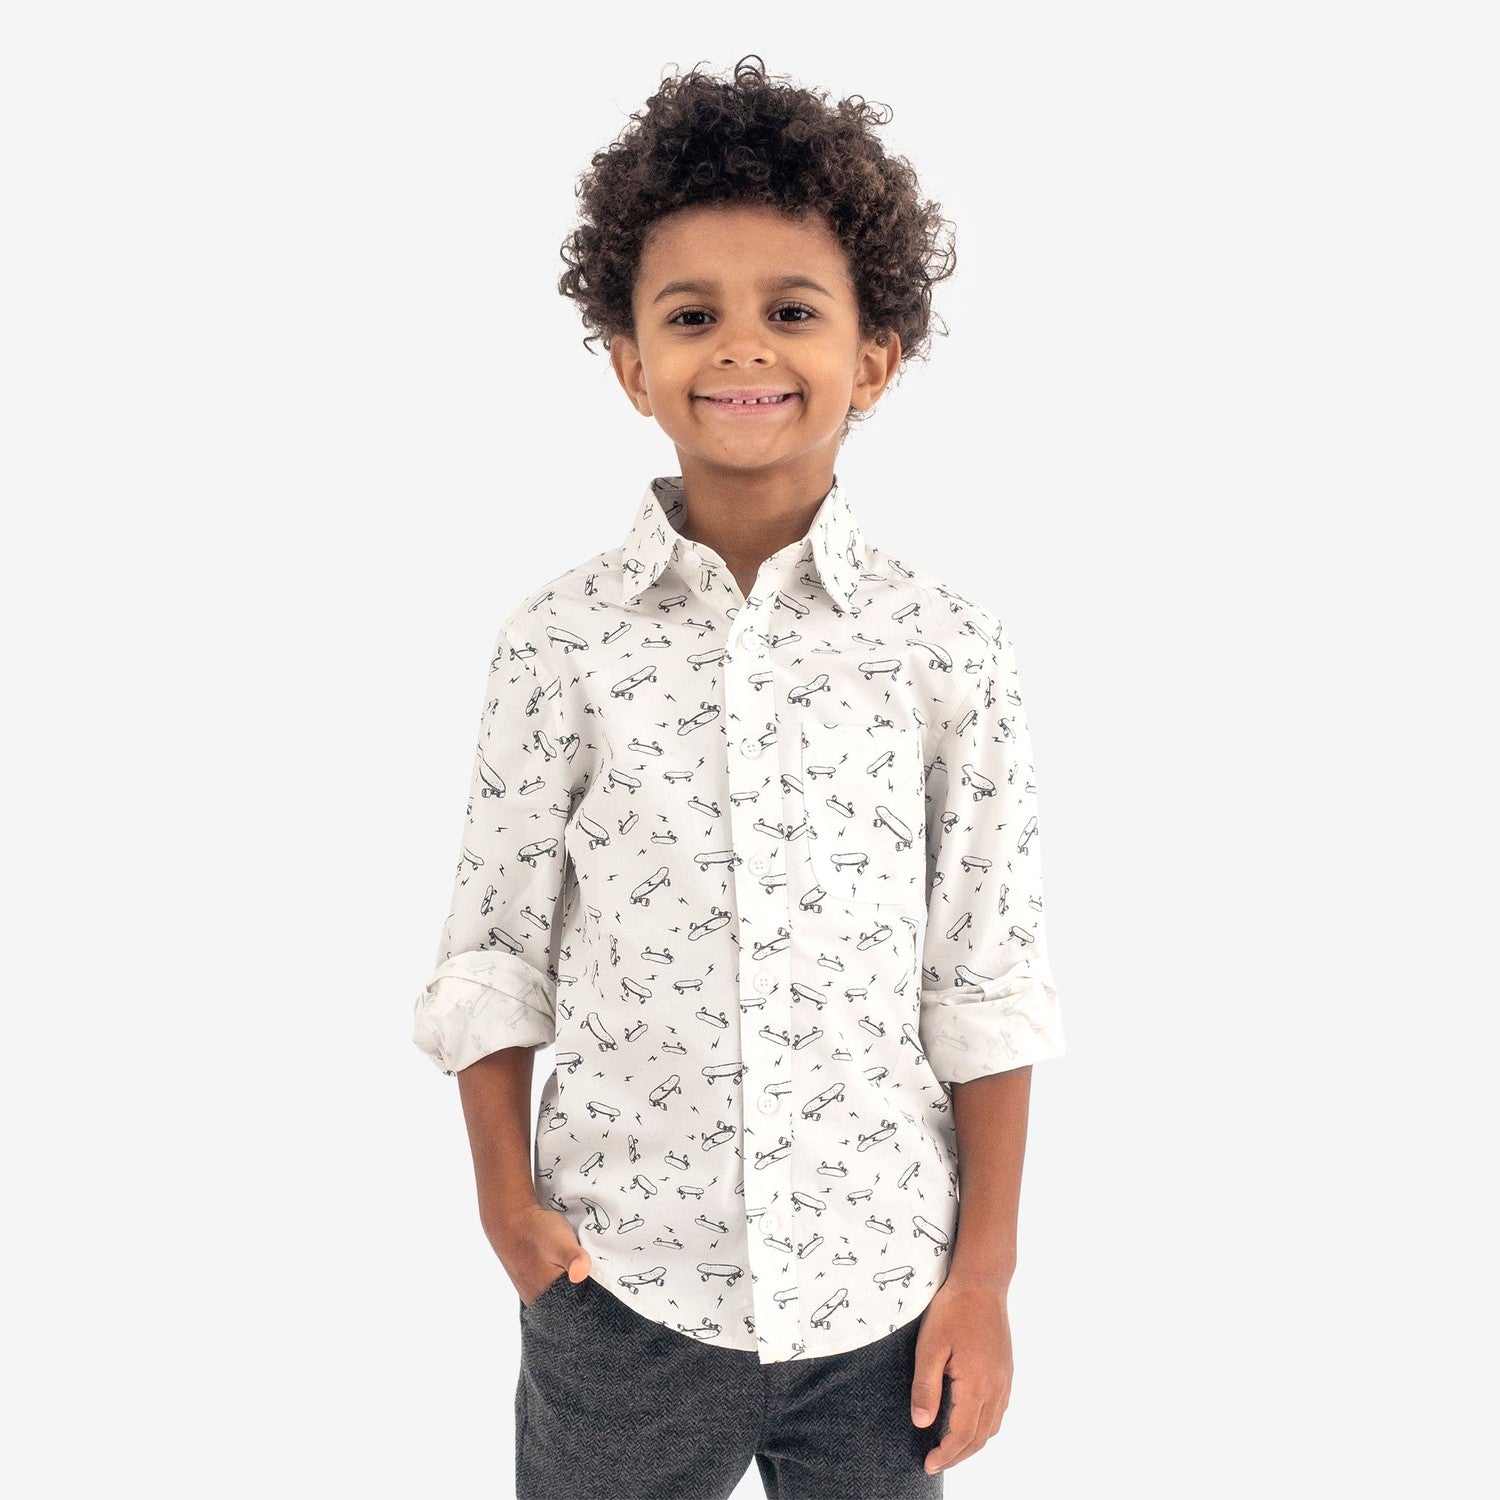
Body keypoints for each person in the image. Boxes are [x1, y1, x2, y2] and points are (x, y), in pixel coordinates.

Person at [411, 54, 1065, 1500]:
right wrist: (507, 1211)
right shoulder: (559, 644)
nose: (742, 349)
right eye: (692, 315)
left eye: (793, 311)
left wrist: (983, 1281)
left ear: (875, 359)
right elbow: (493, 952)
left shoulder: (946, 649)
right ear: (631, 363)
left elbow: (984, 978)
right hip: (619, 1294)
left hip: (885, 1303)